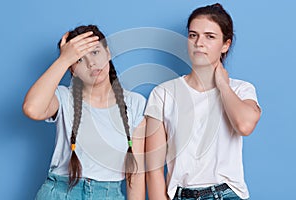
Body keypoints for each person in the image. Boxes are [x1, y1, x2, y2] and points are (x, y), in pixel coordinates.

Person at [145, 3, 261, 200]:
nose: (199, 43)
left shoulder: (241, 89)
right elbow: (153, 168)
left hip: (226, 194)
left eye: (210, 36)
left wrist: (223, 86)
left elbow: (244, 125)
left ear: (226, 44)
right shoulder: (163, 93)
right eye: (193, 35)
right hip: (181, 195)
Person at [23, 25, 146, 200]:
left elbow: (136, 173)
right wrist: (64, 59)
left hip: (108, 194)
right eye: (79, 59)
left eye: (95, 52)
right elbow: (32, 109)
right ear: (72, 69)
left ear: (108, 53)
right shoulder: (63, 97)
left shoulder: (135, 103)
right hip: (59, 192)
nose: (91, 63)